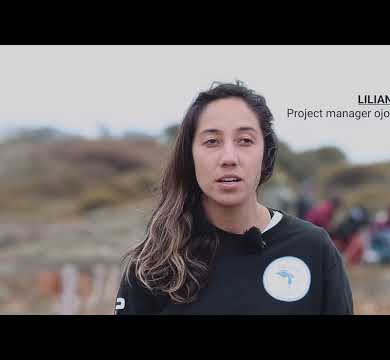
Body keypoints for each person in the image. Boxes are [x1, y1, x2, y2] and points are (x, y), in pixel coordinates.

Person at [114, 81, 353, 315]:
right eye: (212, 142)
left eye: (245, 141)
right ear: (190, 156)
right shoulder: (154, 263)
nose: (229, 157)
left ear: (266, 153)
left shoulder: (313, 248)